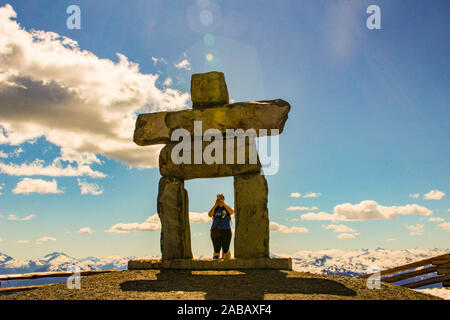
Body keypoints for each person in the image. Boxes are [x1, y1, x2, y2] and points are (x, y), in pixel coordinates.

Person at [208, 193, 234, 259]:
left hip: (226, 230)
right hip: (215, 230)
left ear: (224, 198)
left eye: (221, 198)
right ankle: (216, 261)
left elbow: (231, 212)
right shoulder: (215, 208)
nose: (220, 199)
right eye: (218, 198)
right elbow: (210, 214)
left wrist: (223, 204)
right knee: (216, 249)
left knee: (226, 249)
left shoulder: (226, 207)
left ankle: (228, 263)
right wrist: (215, 205)